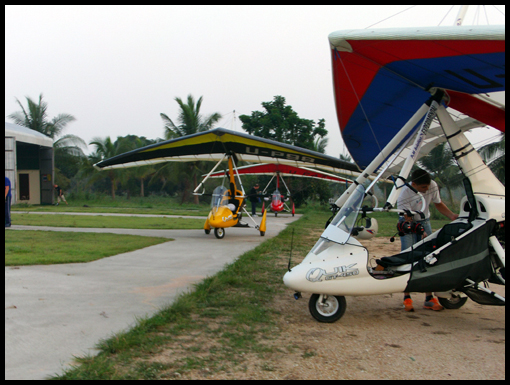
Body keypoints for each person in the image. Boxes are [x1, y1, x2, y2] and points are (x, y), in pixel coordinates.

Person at [397, 168, 458, 312]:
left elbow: (438, 203)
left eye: (427, 186)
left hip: (425, 220)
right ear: (414, 184)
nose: (426, 190)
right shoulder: (404, 194)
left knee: (430, 256)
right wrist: (421, 231)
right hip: (408, 222)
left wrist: (451, 216)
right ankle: (407, 297)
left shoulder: (432, 186)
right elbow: (408, 219)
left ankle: (429, 298)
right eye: (423, 187)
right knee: (409, 256)